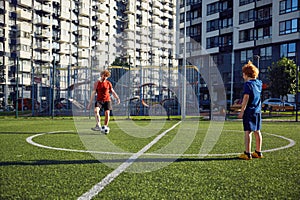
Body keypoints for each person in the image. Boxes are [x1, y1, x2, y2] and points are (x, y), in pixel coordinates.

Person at [238, 61, 264, 160]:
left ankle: (247, 153)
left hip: (249, 111)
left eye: (243, 74)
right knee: (257, 131)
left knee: (248, 132)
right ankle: (258, 152)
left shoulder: (247, 84)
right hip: (257, 111)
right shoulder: (259, 83)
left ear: (246, 74)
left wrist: (242, 111)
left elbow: (246, 97)